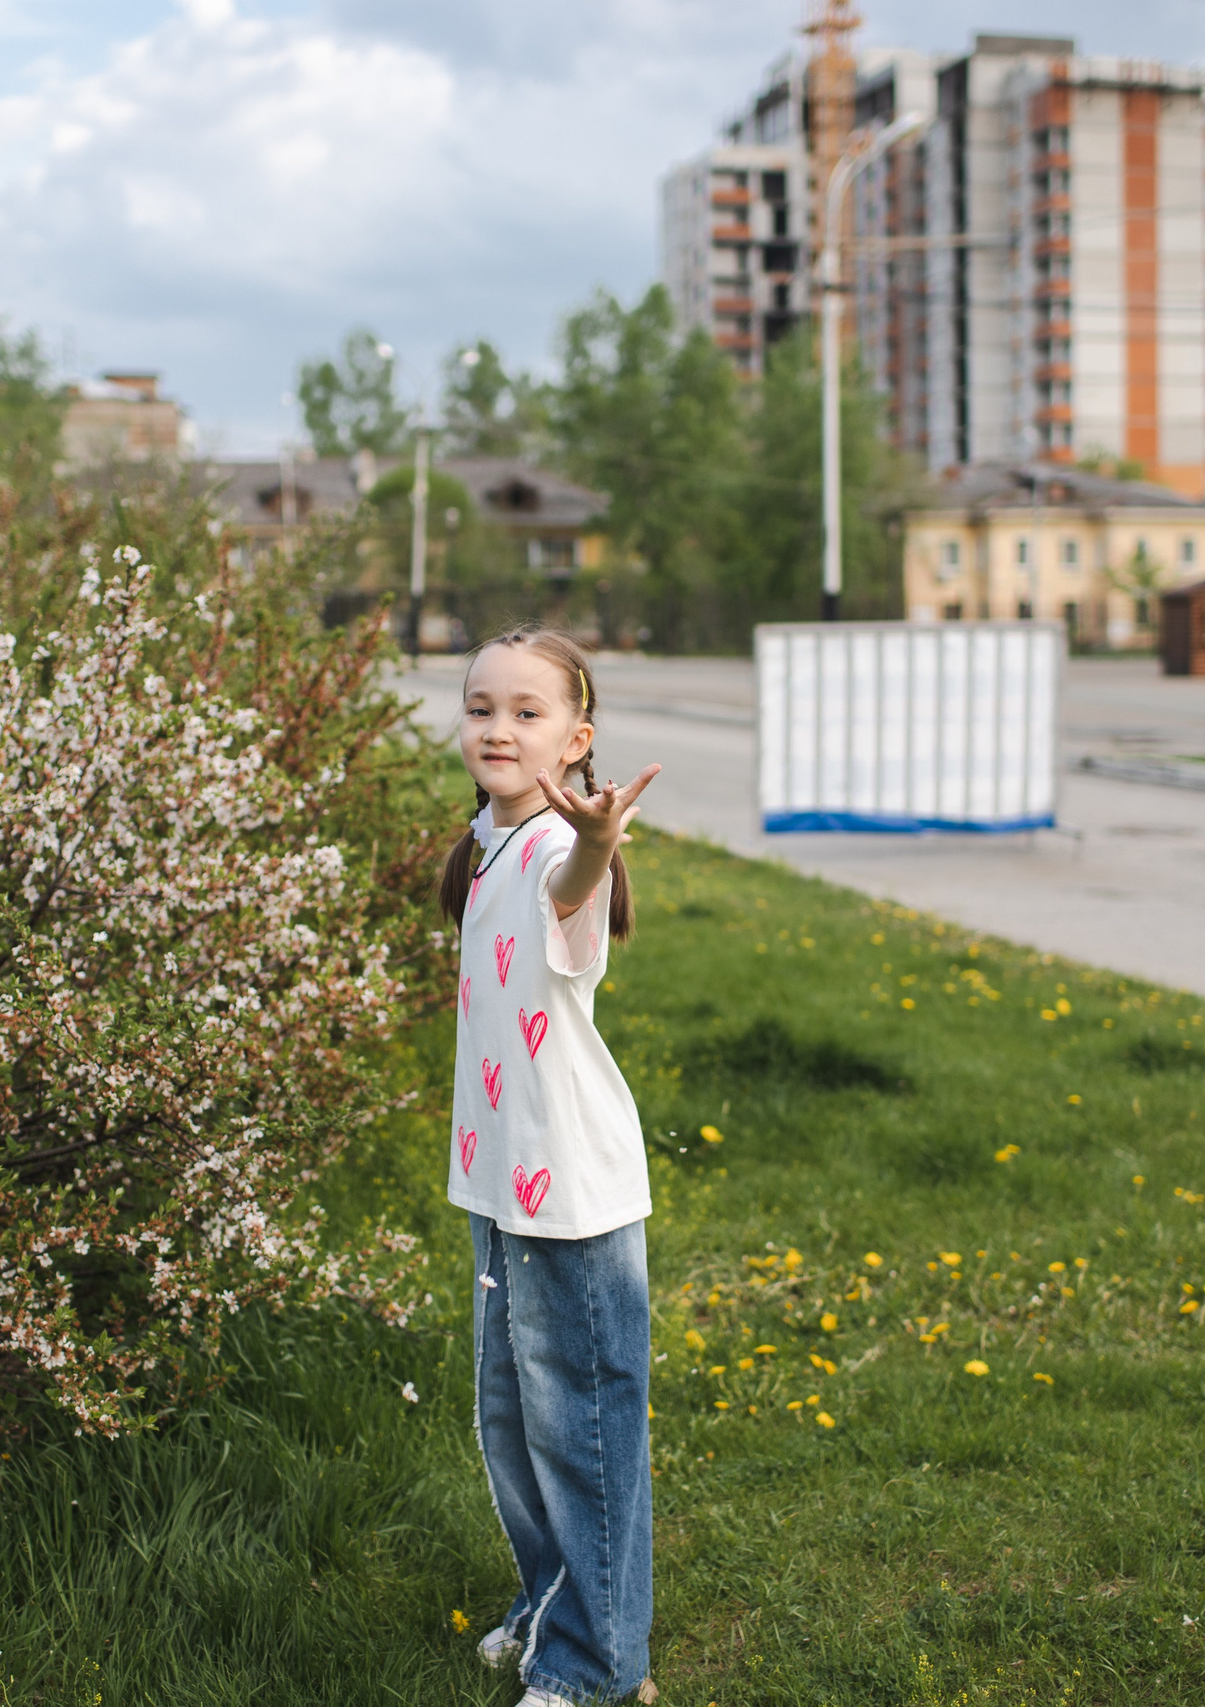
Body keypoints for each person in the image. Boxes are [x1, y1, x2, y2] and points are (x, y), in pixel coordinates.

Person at [435, 625, 662, 1707]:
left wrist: (599, 840)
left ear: (576, 742)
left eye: (527, 713)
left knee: (582, 1431)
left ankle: (594, 1666)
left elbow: (570, 888)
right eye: (482, 706)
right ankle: (553, 1601)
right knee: (514, 1425)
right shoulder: (485, 846)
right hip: (500, 1187)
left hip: (567, 1195)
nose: (497, 728)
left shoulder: (551, 857)